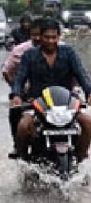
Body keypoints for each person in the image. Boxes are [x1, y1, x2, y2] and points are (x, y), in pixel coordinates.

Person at [11, 18, 91, 162]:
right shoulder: (29, 55)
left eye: (54, 37)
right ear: (40, 37)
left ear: (59, 37)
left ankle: (80, 157)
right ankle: (23, 159)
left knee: (88, 122)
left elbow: (81, 74)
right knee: (23, 126)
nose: (50, 41)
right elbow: (19, 78)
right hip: (38, 103)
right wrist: (16, 95)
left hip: (67, 103)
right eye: (47, 37)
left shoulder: (69, 53)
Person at [3, 18, 42, 156]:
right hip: (25, 93)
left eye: (40, 35)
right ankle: (18, 145)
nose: (38, 38)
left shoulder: (64, 50)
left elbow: (77, 75)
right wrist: (17, 90)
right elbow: (7, 72)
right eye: (34, 35)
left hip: (53, 93)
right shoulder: (21, 51)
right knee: (15, 111)